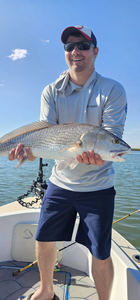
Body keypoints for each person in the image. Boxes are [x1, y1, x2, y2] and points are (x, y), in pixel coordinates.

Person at [9, 25, 127, 300]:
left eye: (83, 46)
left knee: (100, 250)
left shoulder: (112, 89)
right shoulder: (51, 91)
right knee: (43, 239)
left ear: (95, 51)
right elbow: (44, 136)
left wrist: (100, 154)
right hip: (60, 183)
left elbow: (112, 136)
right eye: (69, 47)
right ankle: (47, 290)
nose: (76, 51)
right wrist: (27, 152)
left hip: (98, 186)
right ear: (65, 53)